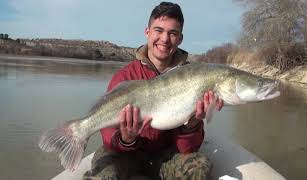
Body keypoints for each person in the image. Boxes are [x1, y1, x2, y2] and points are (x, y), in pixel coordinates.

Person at [83, 2, 223, 180]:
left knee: (199, 167)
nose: (165, 39)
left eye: (173, 33)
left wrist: (192, 124)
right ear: (147, 32)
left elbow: (187, 149)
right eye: (158, 30)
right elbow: (109, 139)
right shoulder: (124, 76)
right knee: (103, 175)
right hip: (124, 155)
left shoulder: (194, 78)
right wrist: (126, 139)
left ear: (180, 38)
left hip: (163, 156)